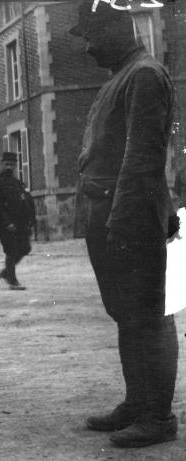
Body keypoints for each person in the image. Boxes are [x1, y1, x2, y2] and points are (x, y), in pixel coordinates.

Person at [69, 1, 179, 448]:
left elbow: (143, 158)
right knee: (127, 315)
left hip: (129, 218)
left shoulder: (145, 75)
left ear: (118, 28)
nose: (89, 48)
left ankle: (157, 417)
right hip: (110, 217)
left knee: (148, 316)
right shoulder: (123, 76)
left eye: (92, 36)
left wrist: (124, 221)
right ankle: (137, 404)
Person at [0, 152, 32, 290]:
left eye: (12, 164)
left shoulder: (17, 183)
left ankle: (6, 273)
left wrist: (29, 220)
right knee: (11, 250)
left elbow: (25, 201)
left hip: (20, 222)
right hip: (6, 224)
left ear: (15, 165)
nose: (9, 167)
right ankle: (12, 281)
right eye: (7, 164)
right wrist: (7, 223)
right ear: (2, 164)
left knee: (25, 248)